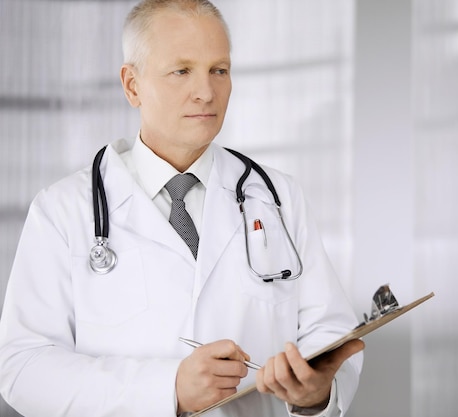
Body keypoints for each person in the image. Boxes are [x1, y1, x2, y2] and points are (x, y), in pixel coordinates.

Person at [0, 1, 364, 416]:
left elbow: (329, 331)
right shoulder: (62, 211)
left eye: (219, 70)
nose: (206, 91)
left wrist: (316, 394)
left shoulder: (278, 197)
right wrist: (167, 388)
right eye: (182, 70)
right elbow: (23, 367)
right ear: (132, 85)